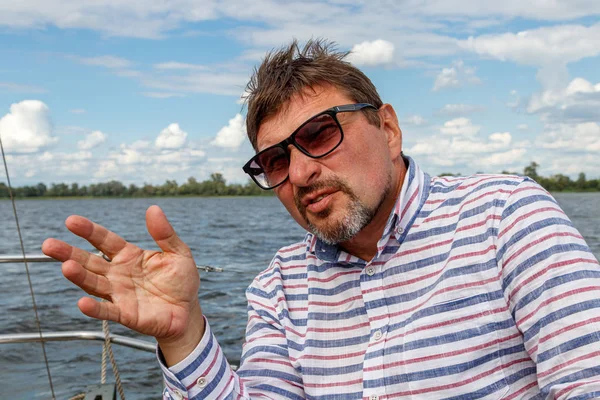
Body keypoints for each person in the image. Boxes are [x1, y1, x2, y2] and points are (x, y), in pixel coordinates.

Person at [42, 39, 600, 400]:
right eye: (276, 160)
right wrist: (185, 335)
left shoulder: (504, 217)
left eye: (320, 134)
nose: (302, 172)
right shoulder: (281, 287)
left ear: (388, 129)